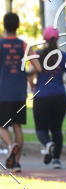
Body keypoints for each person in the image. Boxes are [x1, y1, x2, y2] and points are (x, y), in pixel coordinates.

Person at [32, 26, 66, 169]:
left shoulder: (38, 55)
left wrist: (33, 85)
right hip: (59, 96)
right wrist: (62, 82)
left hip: (42, 96)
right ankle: (56, 159)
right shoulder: (64, 56)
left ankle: (48, 144)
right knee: (57, 129)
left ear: (44, 39)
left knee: (41, 130)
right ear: (57, 39)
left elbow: (31, 73)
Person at [0, 12, 37, 174]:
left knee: (1, 126)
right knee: (17, 127)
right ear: (18, 26)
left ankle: (10, 146)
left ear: (4, 25)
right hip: (19, 92)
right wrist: (25, 74)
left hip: (3, 91)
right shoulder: (24, 45)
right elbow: (38, 67)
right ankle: (16, 164)